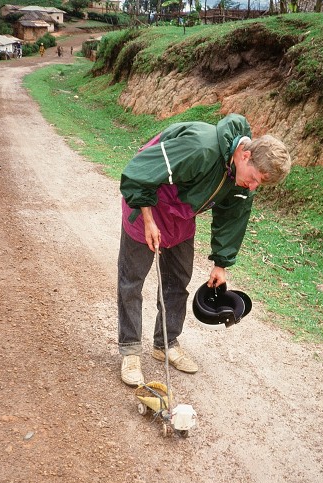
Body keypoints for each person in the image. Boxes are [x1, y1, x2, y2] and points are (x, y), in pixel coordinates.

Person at [118, 113, 291, 386]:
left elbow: (233, 218)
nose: (254, 186)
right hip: (146, 205)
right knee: (132, 282)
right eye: (255, 178)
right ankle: (129, 349)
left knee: (178, 282)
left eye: (260, 184)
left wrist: (221, 263)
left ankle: (165, 344)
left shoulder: (243, 178)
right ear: (245, 155)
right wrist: (149, 220)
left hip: (181, 216)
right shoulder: (200, 147)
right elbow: (139, 171)